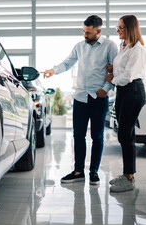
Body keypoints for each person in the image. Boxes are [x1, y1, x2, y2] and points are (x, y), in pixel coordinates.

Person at [42, 15, 118, 185]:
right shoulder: (79, 46)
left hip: (98, 98)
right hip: (80, 97)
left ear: (98, 31)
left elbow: (116, 70)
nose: (85, 35)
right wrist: (54, 71)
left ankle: (94, 172)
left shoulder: (110, 46)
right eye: (83, 31)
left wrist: (105, 90)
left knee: (97, 136)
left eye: (88, 32)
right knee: (78, 136)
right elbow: (67, 63)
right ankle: (78, 172)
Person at [105, 15, 146, 192]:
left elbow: (129, 76)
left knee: (124, 134)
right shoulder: (124, 46)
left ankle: (129, 178)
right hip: (123, 92)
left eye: (121, 27)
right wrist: (113, 69)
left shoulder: (138, 49)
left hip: (133, 91)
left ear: (130, 28)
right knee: (126, 132)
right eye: (117, 27)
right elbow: (123, 69)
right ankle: (128, 174)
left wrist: (112, 78)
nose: (118, 30)